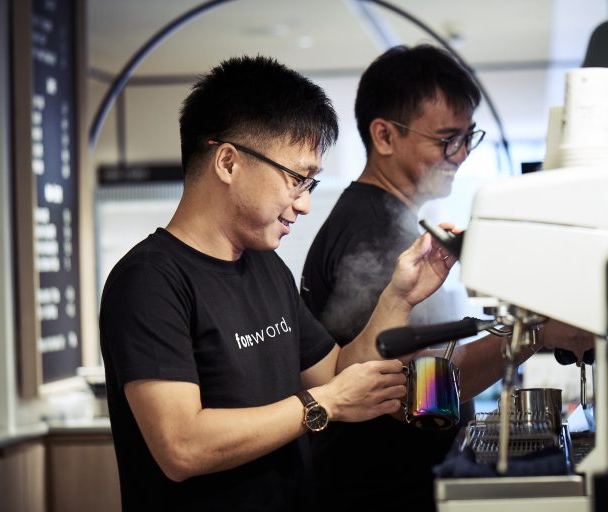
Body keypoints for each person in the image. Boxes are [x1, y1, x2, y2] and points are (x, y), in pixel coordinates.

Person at [98, 55, 458, 512]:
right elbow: (181, 447)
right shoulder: (149, 281)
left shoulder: (267, 268)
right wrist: (322, 404)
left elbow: (336, 374)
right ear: (228, 162)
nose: (304, 204)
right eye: (296, 179)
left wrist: (399, 297)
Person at [300, 44, 594, 511]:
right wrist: (533, 333)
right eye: (445, 139)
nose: (459, 155)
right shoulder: (372, 231)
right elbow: (411, 394)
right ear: (384, 136)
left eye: (467, 138)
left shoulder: (393, 220)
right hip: (380, 489)